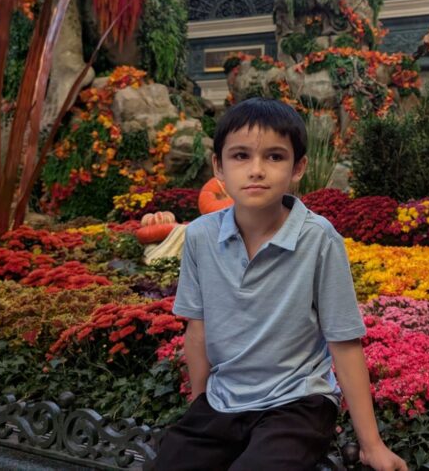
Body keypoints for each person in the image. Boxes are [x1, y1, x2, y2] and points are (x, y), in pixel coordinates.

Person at [149, 98, 407, 471]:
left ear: (298, 167)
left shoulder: (318, 239)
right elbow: (198, 328)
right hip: (224, 400)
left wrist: (372, 445)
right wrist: (201, 406)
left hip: (298, 404)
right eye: (240, 156)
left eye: (274, 156)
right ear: (219, 167)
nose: (256, 170)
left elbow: (344, 341)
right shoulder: (201, 236)